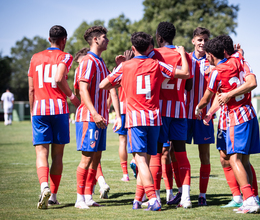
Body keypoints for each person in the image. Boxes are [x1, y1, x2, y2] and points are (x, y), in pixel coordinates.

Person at [100, 31, 190, 211]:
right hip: (155, 118)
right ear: (150, 48)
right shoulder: (157, 64)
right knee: (146, 162)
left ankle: (152, 198)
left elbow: (103, 85)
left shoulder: (125, 66)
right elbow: (185, 73)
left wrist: (121, 79)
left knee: (140, 160)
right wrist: (182, 54)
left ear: (133, 49)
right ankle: (137, 198)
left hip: (136, 119)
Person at [196, 37, 260, 214]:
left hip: (235, 117)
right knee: (239, 159)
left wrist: (199, 108)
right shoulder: (240, 59)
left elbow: (208, 97)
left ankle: (247, 199)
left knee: (234, 159)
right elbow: (223, 94)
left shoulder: (217, 71)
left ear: (211, 54)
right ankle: (251, 198)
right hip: (248, 114)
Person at [28, 25, 80, 209]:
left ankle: (44, 186)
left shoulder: (34, 58)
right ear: (64, 40)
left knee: (41, 153)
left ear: (49, 38)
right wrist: (73, 97)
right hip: (59, 109)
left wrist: (33, 111)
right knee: (57, 155)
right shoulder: (65, 56)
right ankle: (54, 196)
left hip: (39, 109)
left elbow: (32, 89)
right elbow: (59, 78)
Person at [74, 26, 121, 209]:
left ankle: (88, 196)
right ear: (95, 40)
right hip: (89, 117)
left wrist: (121, 66)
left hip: (101, 119)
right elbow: (82, 89)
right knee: (86, 159)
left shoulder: (101, 62)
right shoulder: (87, 61)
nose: (107, 39)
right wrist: (94, 113)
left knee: (96, 159)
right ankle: (79, 199)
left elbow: (111, 86)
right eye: (104, 37)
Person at [148, 21, 192, 208]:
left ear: (159, 37)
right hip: (179, 109)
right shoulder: (184, 55)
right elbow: (189, 85)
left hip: (160, 111)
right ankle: (186, 197)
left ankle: (155, 197)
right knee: (181, 153)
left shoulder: (155, 54)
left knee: (156, 154)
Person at [185, 27, 213, 206]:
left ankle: (202, 194)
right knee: (175, 152)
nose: (202, 43)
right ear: (193, 41)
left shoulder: (213, 61)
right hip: (184, 115)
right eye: (199, 39)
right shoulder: (185, 59)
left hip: (205, 116)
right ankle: (181, 192)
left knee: (205, 156)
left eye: (205, 40)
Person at [115, 50, 135, 182]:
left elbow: (112, 88)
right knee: (136, 139)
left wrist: (119, 65)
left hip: (122, 108)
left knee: (122, 140)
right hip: (135, 107)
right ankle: (135, 161)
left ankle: (125, 174)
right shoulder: (139, 67)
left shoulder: (120, 69)